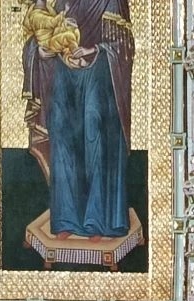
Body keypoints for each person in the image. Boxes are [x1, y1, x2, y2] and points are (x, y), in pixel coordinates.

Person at [21, 0, 134, 241]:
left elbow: (124, 45)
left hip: (98, 76)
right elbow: (36, 38)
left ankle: (98, 220)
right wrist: (40, 52)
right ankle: (66, 218)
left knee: (94, 133)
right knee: (62, 136)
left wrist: (94, 50)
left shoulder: (110, 2)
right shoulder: (60, 2)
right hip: (63, 76)